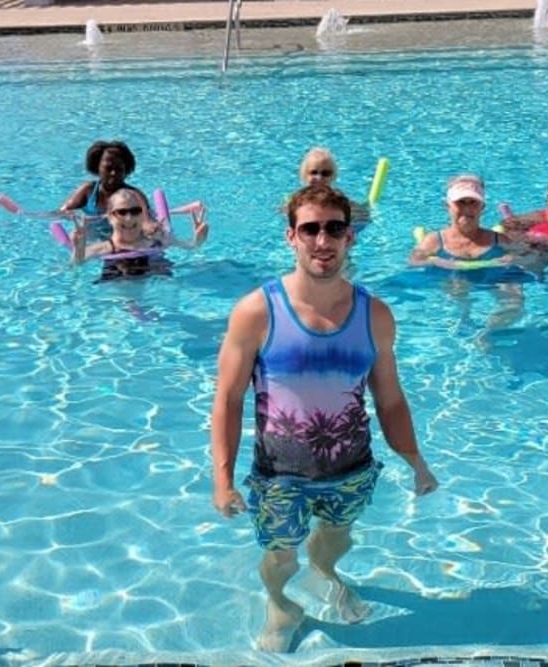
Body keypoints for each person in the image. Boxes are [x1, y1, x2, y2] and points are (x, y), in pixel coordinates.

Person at [210, 184, 438, 652]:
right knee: (278, 556)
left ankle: (325, 574)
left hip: (350, 468)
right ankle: (281, 605)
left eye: (334, 228)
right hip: (279, 474)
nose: (322, 240)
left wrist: (416, 460)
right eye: (310, 229)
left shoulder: (374, 314)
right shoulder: (257, 311)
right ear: (291, 236)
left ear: (350, 237)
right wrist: (223, 479)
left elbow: (390, 400)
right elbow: (229, 399)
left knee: (335, 539)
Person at [409, 174, 524, 335]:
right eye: (460, 203)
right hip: (454, 280)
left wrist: (512, 258)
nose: (467, 209)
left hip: (491, 277)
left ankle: (487, 333)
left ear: (482, 207)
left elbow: (526, 257)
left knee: (514, 301)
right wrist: (437, 261)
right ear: (447, 205)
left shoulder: (499, 240)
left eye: (473, 203)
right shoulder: (434, 240)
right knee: (457, 286)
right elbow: (413, 261)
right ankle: (464, 317)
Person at [70, 187, 208, 280]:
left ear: (143, 215)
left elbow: (191, 247)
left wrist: (199, 239)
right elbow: (75, 267)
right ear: (110, 217)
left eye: (135, 211)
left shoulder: (159, 240)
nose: (129, 218)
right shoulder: (102, 249)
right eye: (122, 212)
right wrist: (79, 250)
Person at [60, 140, 149, 238]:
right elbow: (62, 212)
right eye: (108, 168)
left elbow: (148, 221)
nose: (113, 173)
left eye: (118, 169)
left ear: (126, 170)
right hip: (94, 240)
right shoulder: (88, 191)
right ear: (97, 167)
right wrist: (78, 217)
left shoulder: (135, 195)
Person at [297, 147, 370, 227]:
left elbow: (363, 218)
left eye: (325, 173)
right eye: (313, 172)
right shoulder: (294, 205)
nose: (319, 178)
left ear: (333, 176)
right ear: (304, 175)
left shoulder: (342, 204)